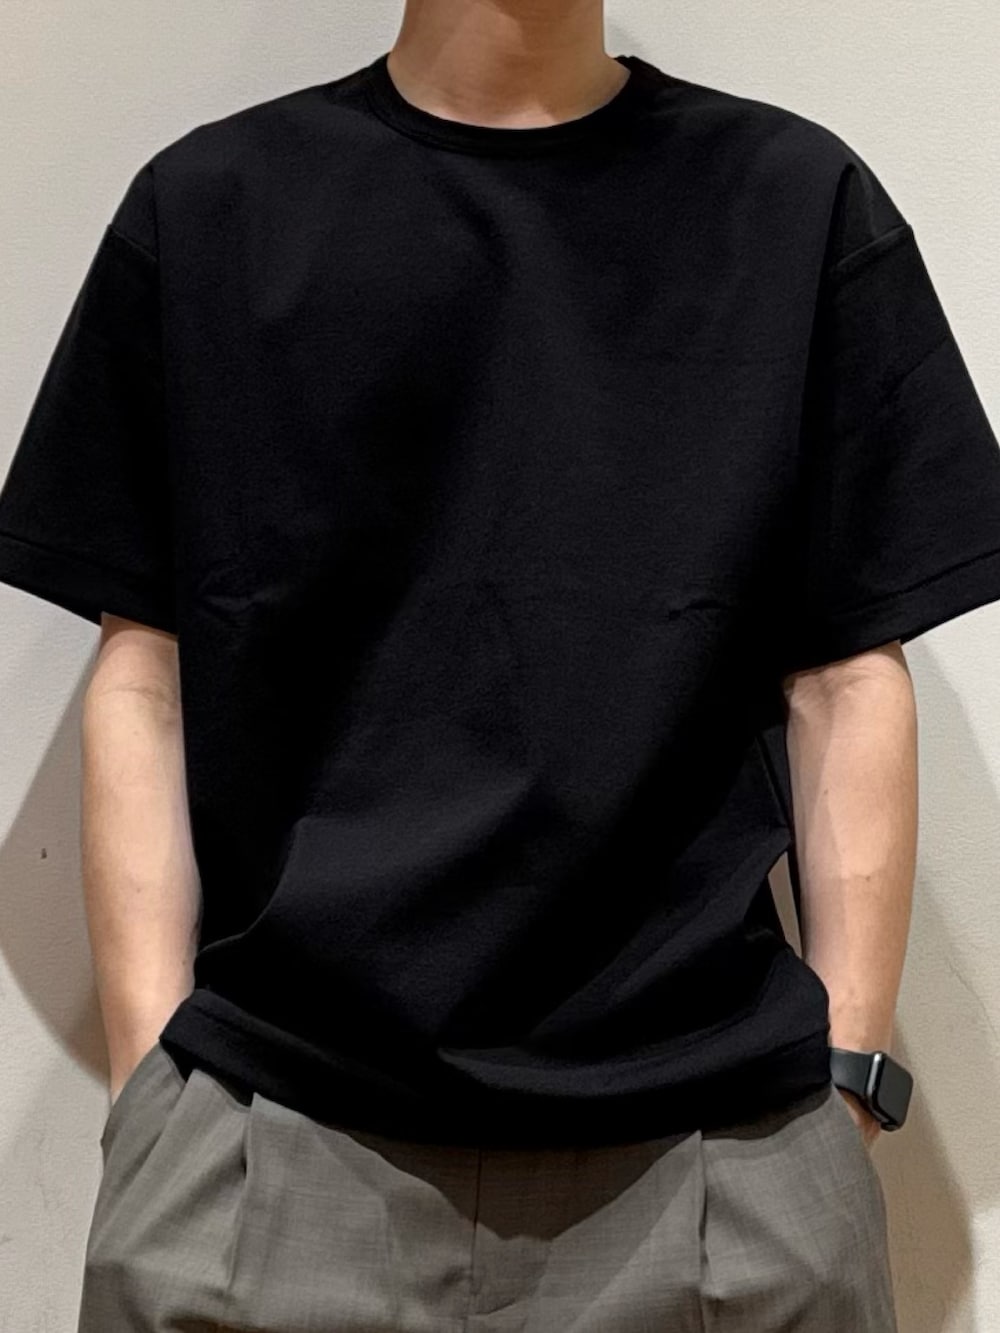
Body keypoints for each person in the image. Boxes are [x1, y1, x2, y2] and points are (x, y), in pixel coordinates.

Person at [3, 2, 1000, 1328]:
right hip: (276, 1141)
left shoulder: (794, 206)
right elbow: (145, 680)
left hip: (718, 1159)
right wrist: (155, 1105)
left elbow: (848, 676)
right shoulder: (208, 212)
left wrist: (847, 1086)